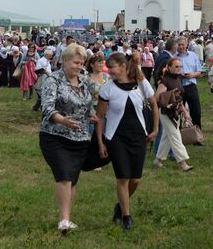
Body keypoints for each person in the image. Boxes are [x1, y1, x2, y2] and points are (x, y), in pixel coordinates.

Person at [96, 52, 159, 231]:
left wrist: (154, 129)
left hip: (138, 136)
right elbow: (100, 117)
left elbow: (154, 106)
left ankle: (120, 205)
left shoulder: (141, 84)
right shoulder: (107, 88)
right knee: (123, 177)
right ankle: (126, 217)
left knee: (136, 179)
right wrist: (101, 143)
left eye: (112, 67)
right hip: (116, 138)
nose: (109, 71)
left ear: (123, 67)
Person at [39, 44, 93, 234]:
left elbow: (87, 104)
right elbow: (46, 107)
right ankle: (64, 220)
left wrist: (92, 114)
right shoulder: (53, 80)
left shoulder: (84, 80)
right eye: (76, 63)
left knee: (72, 179)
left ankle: (67, 217)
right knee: (64, 176)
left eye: (82, 63)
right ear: (64, 61)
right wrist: (62, 120)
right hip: (55, 136)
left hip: (80, 138)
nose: (79, 66)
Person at [153, 58, 193, 171]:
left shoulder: (177, 79)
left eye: (180, 66)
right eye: (176, 66)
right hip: (166, 113)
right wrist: (168, 97)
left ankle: (158, 160)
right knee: (176, 137)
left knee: (166, 137)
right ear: (169, 67)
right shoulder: (165, 81)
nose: (179, 69)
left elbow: (179, 99)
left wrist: (185, 112)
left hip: (175, 112)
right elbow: (157, 97)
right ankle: (183, 163)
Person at [176, 38, 203, 130]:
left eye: (183, 44)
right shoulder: (173, 57)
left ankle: (197, 133)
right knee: (178, 111)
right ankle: (178, 134)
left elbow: (199, 72)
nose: (181, 47)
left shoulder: (193, 56)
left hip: (191, 86)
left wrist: (192, 74)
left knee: (196, 111)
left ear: (186, 45)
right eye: (179, 45)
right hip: (178, 87)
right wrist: (180, 74)